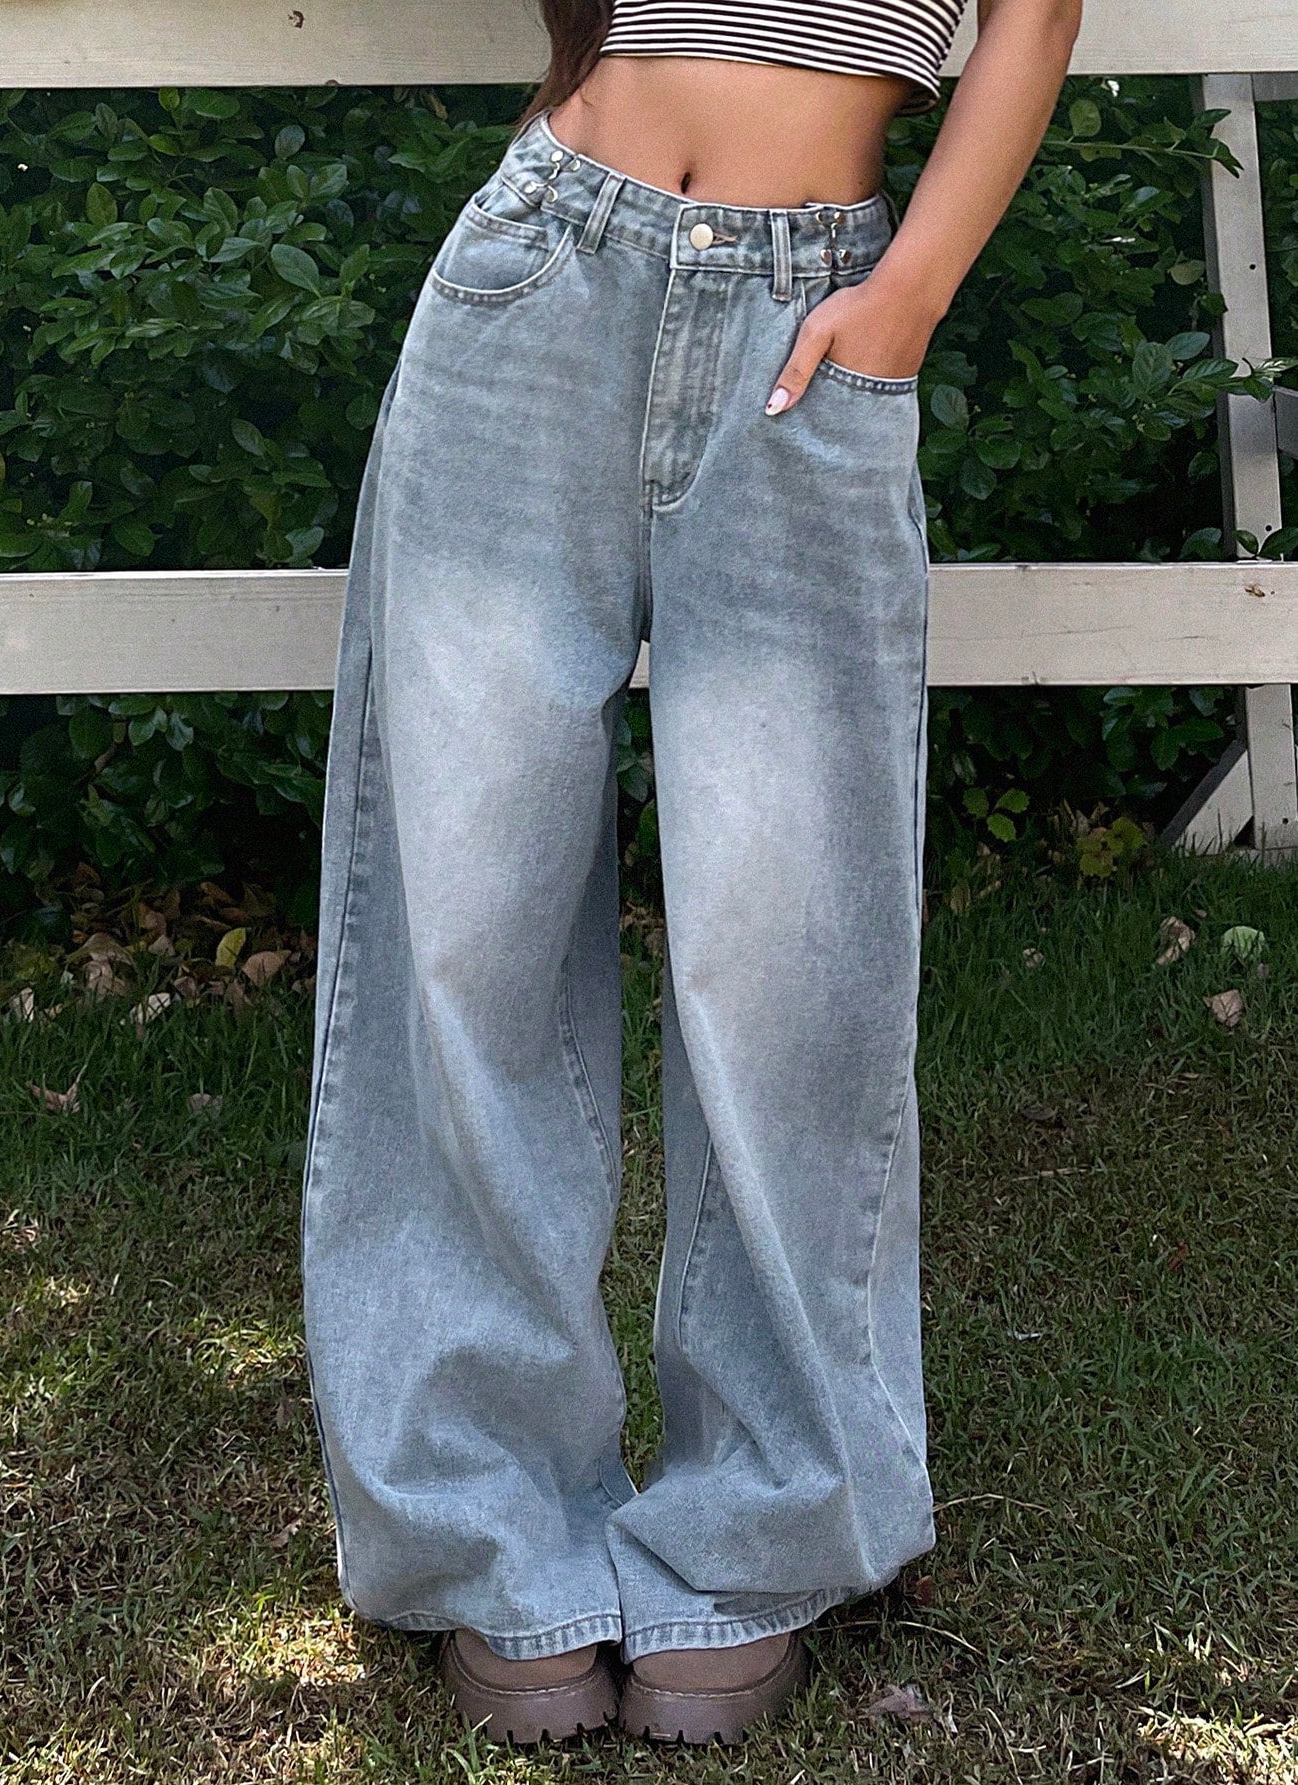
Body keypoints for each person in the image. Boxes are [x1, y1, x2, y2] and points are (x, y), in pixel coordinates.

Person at [300, 0, 1082, 1748]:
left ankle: (763, 1523)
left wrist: (908, 296)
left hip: (815, 319)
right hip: (540, 272)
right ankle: (485, 1524)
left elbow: (1034, 14)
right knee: (466, 926)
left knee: (790, 945)